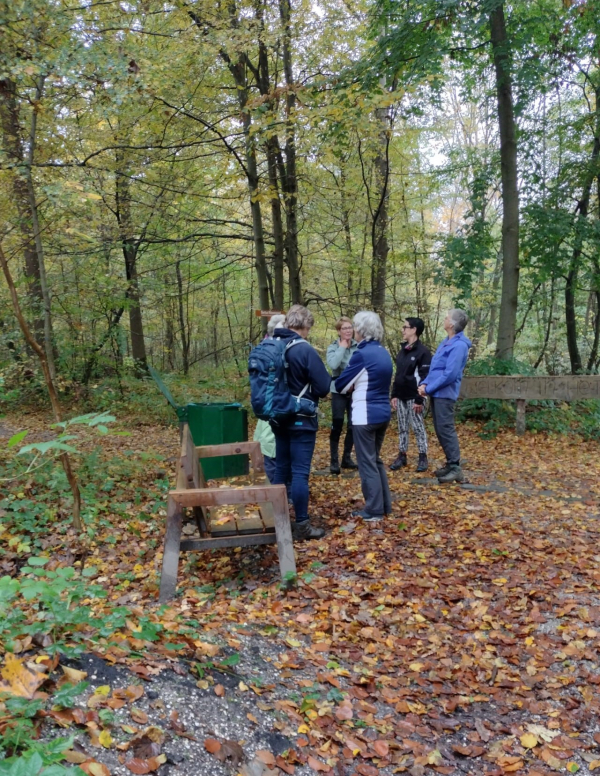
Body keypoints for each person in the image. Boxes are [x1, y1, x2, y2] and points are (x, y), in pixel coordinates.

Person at [270, 305, 331, 540]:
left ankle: (278, 520)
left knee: (281, 468)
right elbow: (324, 387)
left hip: (278, 417)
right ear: (305, 325)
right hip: (301, 420)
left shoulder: (274, 345)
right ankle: (303, 525)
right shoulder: (304, 350)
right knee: (299, 473)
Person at [335, 311, 393, 522]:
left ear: (360, 330)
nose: (354, 331)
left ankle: (373, 510)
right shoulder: (383, 351)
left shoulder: (362, 354)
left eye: (356, 328)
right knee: (375, 460)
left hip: (365, 415)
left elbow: (341, 384)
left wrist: (350, 387)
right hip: (383, 413)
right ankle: (384, 504)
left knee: (367, 463)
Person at [417, 309, 471, 484]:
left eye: (447, 317)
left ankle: (455, 467)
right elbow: (436, 369)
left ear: (452, 324)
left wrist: (429, 388)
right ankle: (450, 464)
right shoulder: (445, 342)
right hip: (436, 391)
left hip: (445, 393)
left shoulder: (459, 345)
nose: (444, 319)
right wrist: (424, 384)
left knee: (446, 429)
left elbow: (450, 374)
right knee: (440, 429)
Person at [390, 317, 432, 473]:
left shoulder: (423, 352)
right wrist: (394, 395)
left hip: (414, 398)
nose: (403, 330)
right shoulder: (402, 351)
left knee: (418, 427)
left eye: (405, 327)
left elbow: (425, 377)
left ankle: (423, 456)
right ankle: (402, 455)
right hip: (401, 396)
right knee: (402, 427)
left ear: (414, 330)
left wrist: (419, 399)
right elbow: (399, 374)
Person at [253, 314, 286, 482]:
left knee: (273, 450)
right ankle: (276, 495)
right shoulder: (271, 351)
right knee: (272, 452)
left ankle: (279, 492)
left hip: (271, 408)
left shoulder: (264, 348)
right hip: (272, 407)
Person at [326, 317, 358, 474]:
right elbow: (333, 365)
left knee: (353, 424)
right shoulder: (333, 347)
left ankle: (346, 458)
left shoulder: (358, 347)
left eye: (350, 327)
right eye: (344, 328)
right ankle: (334, 460)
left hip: (355, 391)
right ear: (338, 331)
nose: (348, 330)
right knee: (337, 423)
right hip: (338, 391)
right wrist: (343, 347)